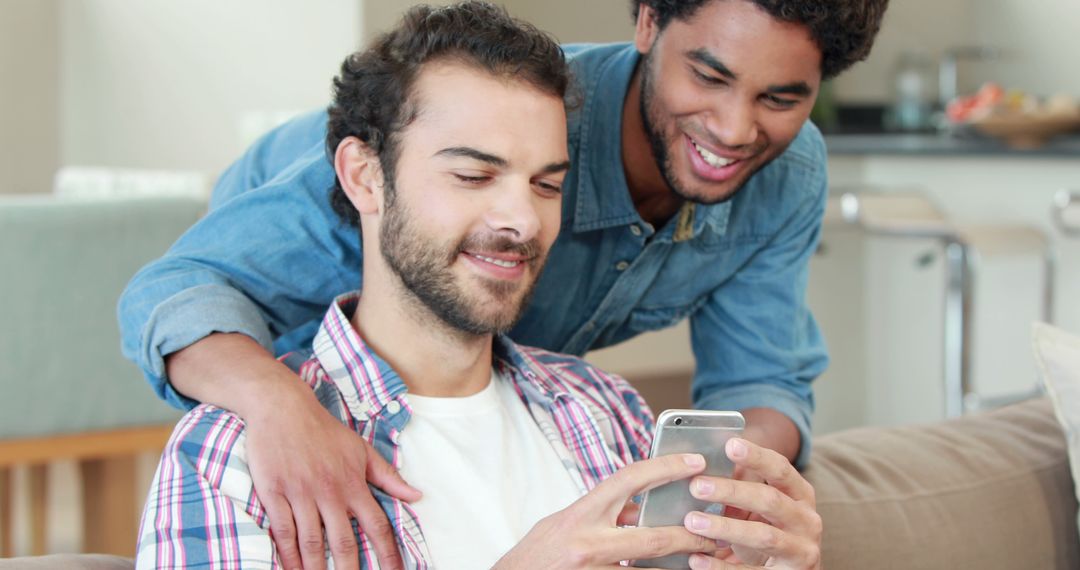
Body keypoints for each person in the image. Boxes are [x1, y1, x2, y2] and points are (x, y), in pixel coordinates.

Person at [121, 0, 886, 568]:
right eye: (475, 176)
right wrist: (276, 405)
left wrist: (728, 509)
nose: (733, 127)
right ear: (649, 24)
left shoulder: (605, 414)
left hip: (507, 382)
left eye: (548, 184)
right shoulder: (486, 123)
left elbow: (763, 381)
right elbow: (178, 291)